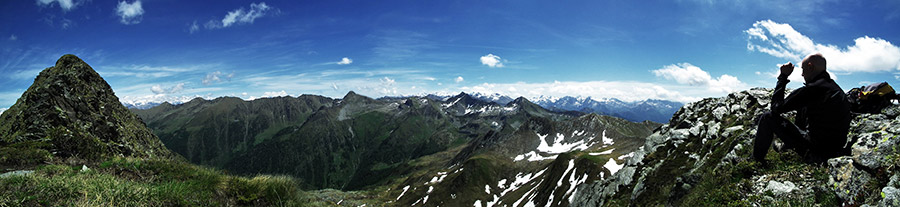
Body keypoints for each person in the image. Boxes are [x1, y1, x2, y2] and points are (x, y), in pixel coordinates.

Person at [752, 53, 851, 163]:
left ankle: (757, 161)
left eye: (803, 70)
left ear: (810, 67)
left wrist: (783, 77)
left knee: (767, 117)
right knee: (804, 105)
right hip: (834, 148)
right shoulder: (834, 88)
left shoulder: (813, 89)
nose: (802, 74)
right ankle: (788, 147)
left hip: (816, 151)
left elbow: (776, 107)